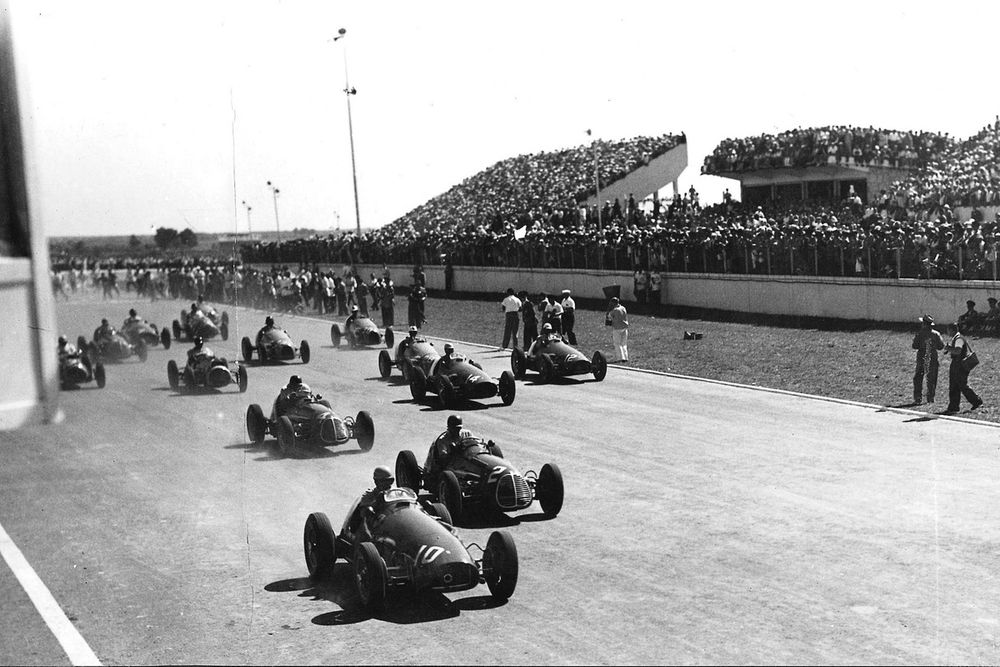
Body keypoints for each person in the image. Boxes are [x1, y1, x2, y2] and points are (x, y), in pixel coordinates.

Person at [944, 322, 983, 414]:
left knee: (962, 385)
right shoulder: (957, 338)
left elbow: (958, 351)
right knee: (954, 385)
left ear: (952, 330)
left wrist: (948, 348)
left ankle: (977, 401)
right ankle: (953, 407)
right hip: (957, 364)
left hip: (959, 365)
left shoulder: (959, 339)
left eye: (948, 330)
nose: (947, 332)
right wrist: (949, 348)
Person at [354, 466, 397, 543]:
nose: (387, 483)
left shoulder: (398, 493)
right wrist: (376, 501)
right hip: (376, 527)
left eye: (389, 481)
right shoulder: (369, 496)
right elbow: (363, 514)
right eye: (383, 481)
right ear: (376, 481)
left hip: (395, 522)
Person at [912, 315, 944, 404]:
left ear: (924, 324)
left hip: (922, 357)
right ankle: (930, 398)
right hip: (932, 357)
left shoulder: (920, 334)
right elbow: (941, 346)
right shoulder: (936, 334)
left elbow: (914, 346)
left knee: (918, 377)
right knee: (932, 379)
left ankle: (918, 398)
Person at [606, 296, 630, 362]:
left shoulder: (614, 310)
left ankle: (620, 358)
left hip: (617, 328)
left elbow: (609, 317)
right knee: (623, 343)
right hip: (625, 327)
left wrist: (609, 312)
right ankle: (625, 357)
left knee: (617, 343)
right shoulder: (623, 308)